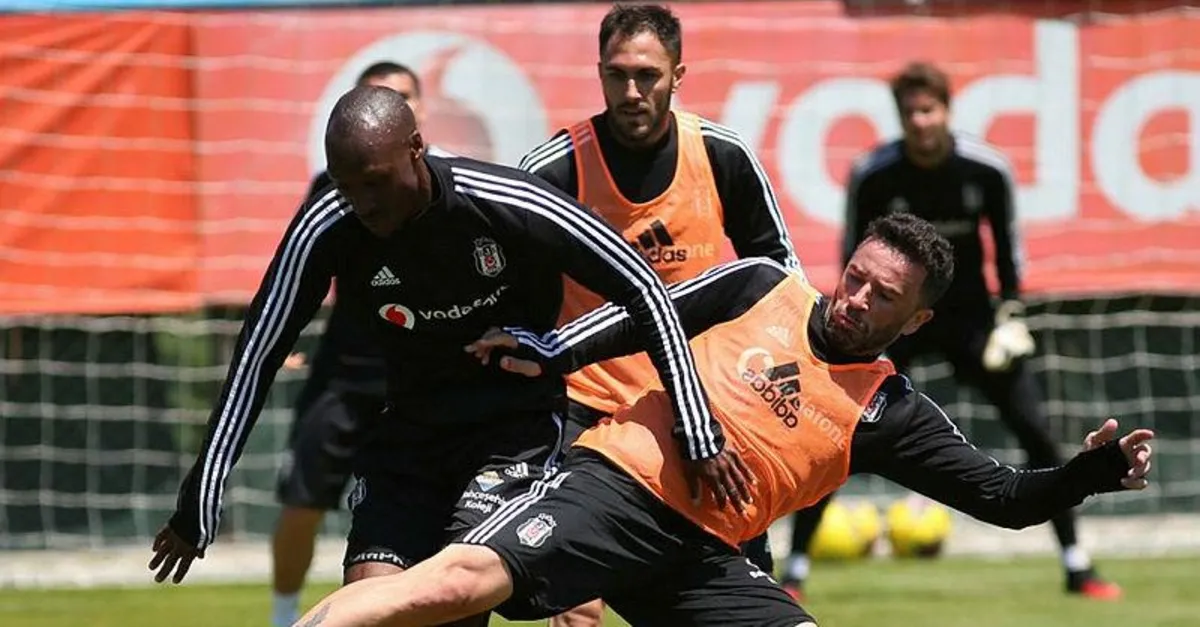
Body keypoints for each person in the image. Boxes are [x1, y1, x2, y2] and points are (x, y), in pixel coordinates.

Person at [291, 213, 1154, 627]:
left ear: (916, 319)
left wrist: (1090, 472)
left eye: (881, 296)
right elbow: (643, 312)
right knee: (457, 584)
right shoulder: (760, 286)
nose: (854, 298)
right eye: (855, 275)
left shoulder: (889, 410)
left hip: (705, 558)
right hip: (615, 489)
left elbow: (1003, 495)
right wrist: (549, 350)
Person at [148, 86, 747, 625]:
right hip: (407, 439)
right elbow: (258, 352)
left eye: (374, 183)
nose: (362, 204)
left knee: (443, 599)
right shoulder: (329, 221)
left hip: (509, 434)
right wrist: (202, 491)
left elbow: (645, 289)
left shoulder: (506, 201)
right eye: (347, 186)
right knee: (370, 607)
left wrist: (696, 428)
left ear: (416, 148)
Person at [780, 60, 1120, 601]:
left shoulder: (984, 170)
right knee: (836, 431)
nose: (920, 121)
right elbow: (855, 257)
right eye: (910, 112)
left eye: (929, 110)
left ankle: (1077, 564)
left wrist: (1011, 314)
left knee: (1034, 430)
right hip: (895, 326)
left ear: (946, 110)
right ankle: (794, 570)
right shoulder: (875, 173)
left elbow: (1006, 250)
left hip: (974, 324)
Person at [518, 4, 799, 623]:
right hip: (584, 410)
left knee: (736, 592)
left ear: (678, 75)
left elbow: (782, 280)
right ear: (598, 72)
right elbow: (512, 295)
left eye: (647, 75)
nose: (631, 92)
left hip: (696, 408)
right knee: (574, 601)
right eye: (616, 75)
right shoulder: (553, 170)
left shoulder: (720, 156)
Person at [268, 61, 457, 627]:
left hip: (422, 382)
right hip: (344, 376)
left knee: (436, 515)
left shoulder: (454, 183)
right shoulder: (333, 190)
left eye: (403, 96)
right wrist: (285, 341)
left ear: (418, 111)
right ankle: (281, 615)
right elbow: (299, 278)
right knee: (300, 501)